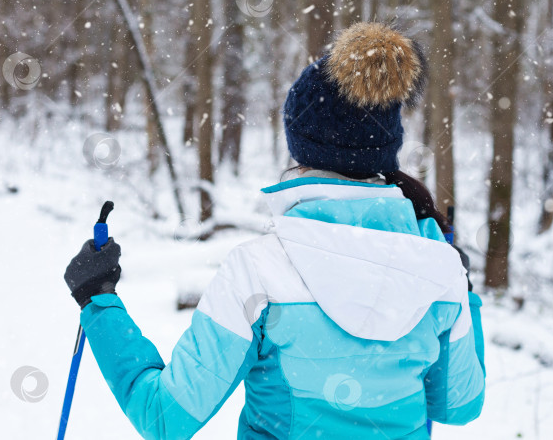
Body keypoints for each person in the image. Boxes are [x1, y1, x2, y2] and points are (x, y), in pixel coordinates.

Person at [64, 22, 486, 439]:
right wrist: (462, 288)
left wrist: (98, 300)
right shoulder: (440, 271)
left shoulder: (258, 271)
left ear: (301, 150)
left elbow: (165, 417)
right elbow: (460, 405)